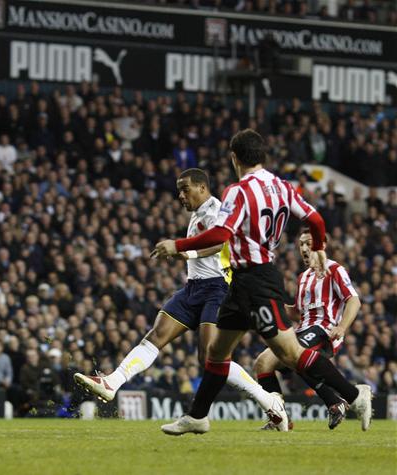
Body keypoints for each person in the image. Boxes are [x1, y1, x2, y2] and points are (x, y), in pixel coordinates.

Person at [153, 129, 372, 435]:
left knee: (290, 354)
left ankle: (354, 396)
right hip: (244, 281)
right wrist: (319, 246)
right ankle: (197, 416)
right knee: (217, 353)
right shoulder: (283, 187)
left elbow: (220, 234)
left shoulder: (238, 191)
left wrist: (178, 244)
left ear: (234, 157)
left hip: (257, 279)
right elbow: (316, 219)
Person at [75, 168, 285, 426]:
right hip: (193, 289)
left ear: (202, 188)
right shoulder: (198, 213)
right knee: (156, 334)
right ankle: (112, 382)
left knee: (210, 358)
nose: (181, 196)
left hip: (217, 289)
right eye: (179, 191)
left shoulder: (216, 209)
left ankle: (268, 400)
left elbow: (224, 241)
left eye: (186, 189)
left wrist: (189, 253)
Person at [254, 230, 361, 430]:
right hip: (302, 330)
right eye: (301, 244)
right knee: (262, 363)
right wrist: (273, 304)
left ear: (322, 244)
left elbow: (353, 300)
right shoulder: (303, 277)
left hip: (324, 329)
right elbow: (297, 313)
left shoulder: (335, 269)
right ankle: (279, 418)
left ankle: (339, 399)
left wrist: (342, 326)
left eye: (308, 243)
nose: (303, 248)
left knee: (296, 352)